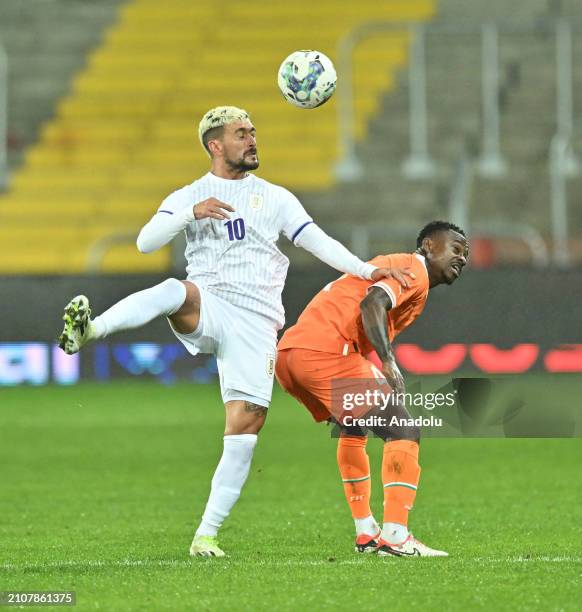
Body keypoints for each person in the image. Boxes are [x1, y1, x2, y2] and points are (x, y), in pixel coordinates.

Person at [58, 105, 412, 558]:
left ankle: (205, 535)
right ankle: (93, 330)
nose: (251, 139)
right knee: (174, 289)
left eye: (253, 132)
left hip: (257, 323)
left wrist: (367, 270)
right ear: (215, 144)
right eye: (241, 133)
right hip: (210, 303)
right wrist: (191, 212)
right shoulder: (192, 193)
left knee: (245, 427)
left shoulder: (276, 197)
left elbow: (317, 241)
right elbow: (146, 242)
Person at [275, 221, 469, 557]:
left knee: (352, 426)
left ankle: (366, 531)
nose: (462, 258)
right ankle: (395, 536)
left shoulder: (399, 268)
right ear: (428, 245)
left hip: (291, 354)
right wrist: (388, 360)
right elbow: (372, 304)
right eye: (455, 248)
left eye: (466, 254)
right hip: (326, 352)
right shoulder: (413, 270)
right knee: (404, 430)